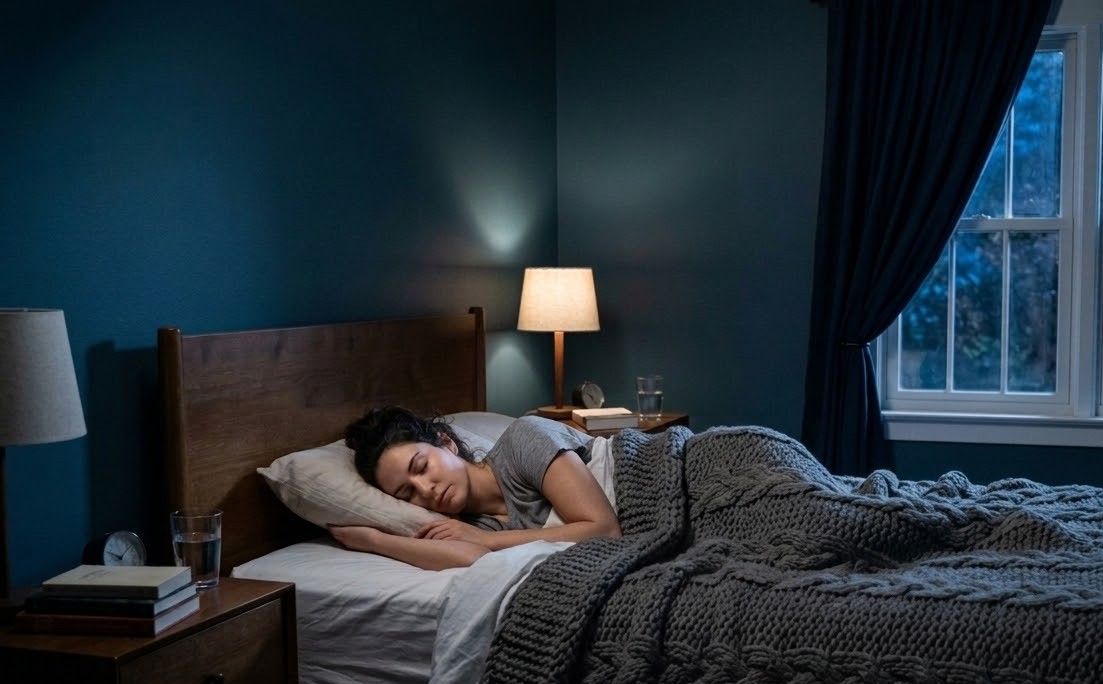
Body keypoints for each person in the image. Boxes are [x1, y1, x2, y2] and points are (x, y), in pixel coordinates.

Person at [328, 406, 621, 570]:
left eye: (421, 467)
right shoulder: (470, 527)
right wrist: (375, 542)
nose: (425, 490)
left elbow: (604, 530)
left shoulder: (524, 439)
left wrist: (485, 540)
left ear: (447, 444)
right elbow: (471, 558)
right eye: (407, 494)